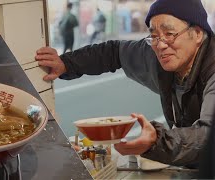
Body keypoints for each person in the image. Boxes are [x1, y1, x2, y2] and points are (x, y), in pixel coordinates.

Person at [35, 0, 215, 167]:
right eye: (154, 36)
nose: (160, 45)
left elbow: (208, 137)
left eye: (169, 34)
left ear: (198, 33)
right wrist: (67, 64)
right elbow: (114, 52)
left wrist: (158, 141)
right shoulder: (158, 56)